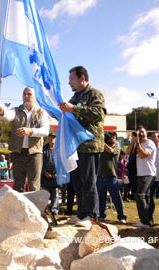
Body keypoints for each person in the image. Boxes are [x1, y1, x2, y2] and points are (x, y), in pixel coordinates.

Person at [58, 65, 106, 230]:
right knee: (77, 182)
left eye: (72, 78)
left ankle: (92, 215)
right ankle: (82, 214)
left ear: (82, 78)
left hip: (90, 145)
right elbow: (67, 115)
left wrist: (74, 109)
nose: (69, 82)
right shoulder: (74, 98)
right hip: (76, 146)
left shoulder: (94, 94)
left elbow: (99, 114)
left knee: (88, 181)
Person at [0, 87, 50, 192]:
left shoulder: (41, 112)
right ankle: (19, 208)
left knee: (34, 185)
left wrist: (30, 131)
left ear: (35, 97)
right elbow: (8, 115)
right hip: (18, 153)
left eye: (29, 94)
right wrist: (2, 111)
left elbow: (45, 131)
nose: (26, 96)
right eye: (24, 94)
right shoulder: (16, 110)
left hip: (35, 153)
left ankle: (34, 208)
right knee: (18, 185)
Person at [126, 126, 156, 228]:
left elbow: (143, 155)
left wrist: (137, 143)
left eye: (142, 132)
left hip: (148, 173)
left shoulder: (149, 143)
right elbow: (128, 152)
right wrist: (133, 141)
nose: (141, 134)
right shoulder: (137, 143)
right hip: (140, 173)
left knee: (140, 195)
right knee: (145, 197)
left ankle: (144, 221)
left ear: (146, 133)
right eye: (138, 133)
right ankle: (148, 221)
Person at [97, 132, 127, 223]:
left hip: (112, 176)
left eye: (113, 137)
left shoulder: (117, 147)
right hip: (100, 176)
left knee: (116, 197)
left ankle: (121, 216)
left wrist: (101, 140)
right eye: (109, 137)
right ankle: (101, 215)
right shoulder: (102, 147)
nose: (111, 139)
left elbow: (111, 151)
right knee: (101, 198)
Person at [41, 131, 59, 215]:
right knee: (45, 193)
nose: (52, 139)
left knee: (55, 194)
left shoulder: (59, 149)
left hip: (56, 175)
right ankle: (44, 209)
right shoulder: (43, 149)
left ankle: (54, 210)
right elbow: (40, 162)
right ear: (48, 138)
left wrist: (58, 173)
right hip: (45, 175)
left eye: (54, 137)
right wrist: (44, 172)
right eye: (50, 137)